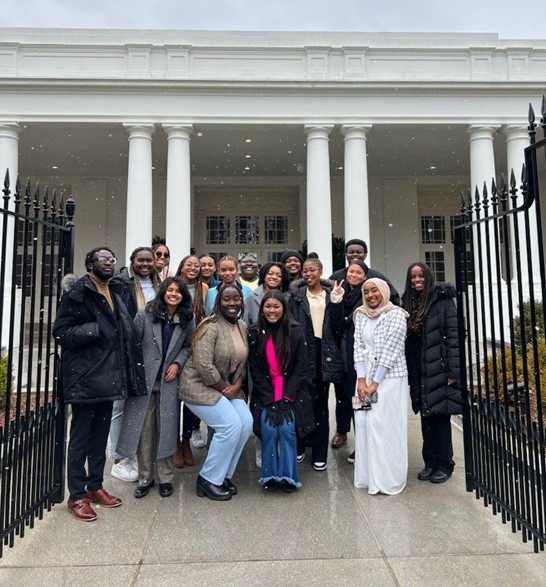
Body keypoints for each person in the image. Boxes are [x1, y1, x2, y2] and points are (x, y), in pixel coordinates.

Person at [53, 247, 146, 522]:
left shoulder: (115, 293)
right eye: (102, 259)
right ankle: (77, 495)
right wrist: (94, 329)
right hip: (85, 378)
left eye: (111, 259)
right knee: (80, 439)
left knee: (99, 437)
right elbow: (61, 332)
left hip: (109, 378)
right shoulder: (77, 294)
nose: (108, 263)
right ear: (89, 263)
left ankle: (95, 486)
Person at [116, 277, 194, 498]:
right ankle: (145, 477)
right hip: (146, 381)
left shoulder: (187, 318)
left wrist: (178, 363)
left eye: (178, 292)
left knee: (167, 430)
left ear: (183, 296)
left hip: (169, 382)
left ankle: (165, 478)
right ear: (163, 292)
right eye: (169, 290)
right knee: (144, 430)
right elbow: (133, 343)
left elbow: (188, 346)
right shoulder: (145, 314)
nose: (173, 294)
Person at [179, 283, 253, 501]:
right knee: (229, 426)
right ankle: (208, 480)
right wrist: (225, 389)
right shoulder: (209, 327)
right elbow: (203, 366)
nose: (232, 303)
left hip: (227, 386)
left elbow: (243, 362)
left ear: (242, 301)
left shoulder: (241, 326)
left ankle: (223, 476)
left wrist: (237, 384)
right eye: (226, 299)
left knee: (245, 423)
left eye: (236, 299)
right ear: (218, 302)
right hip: (198, 386)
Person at [248, 291, 314, 492]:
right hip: (265, 393)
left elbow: (301, 368)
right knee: (268, 429)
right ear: (262, 309)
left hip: (290, 392)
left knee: (286, 429)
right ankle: (269, 475)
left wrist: (285, 398)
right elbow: (255, 370)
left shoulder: (295, 331)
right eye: (267, 307)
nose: (272, 311)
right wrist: (271, 400)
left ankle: (288, 476)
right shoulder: (254, 332)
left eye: (276, 306)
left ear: (284, 308)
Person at [402, 262, 461, 484]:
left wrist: (454, 370)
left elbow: (454, 336)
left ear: (428, 277)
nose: (417, 280)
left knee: (440, 417)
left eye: (421, 277)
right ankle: (430, 462)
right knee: (426, 416)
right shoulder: (408, 301)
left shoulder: (442, 301)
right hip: (418, 365)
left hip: (438, 366)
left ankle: (445, 463)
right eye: (413, 277)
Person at [108, 246, 160, 482]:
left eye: (149, 260)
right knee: (120, 407)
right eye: (141, 260)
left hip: (149, 352)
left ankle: (133, 452)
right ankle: (119, 458)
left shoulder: (159, 284)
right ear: (132, 261)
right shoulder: (121, 284)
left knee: (138, 406)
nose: (146, 264)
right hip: (126, 350)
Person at [353, 278, 409, 495]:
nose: (370, 296)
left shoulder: (396, 314)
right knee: (365, 424)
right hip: (364, 378)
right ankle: (369, 478)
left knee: (385, 427)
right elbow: (357, 346)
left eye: (374, 291)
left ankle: (387, 479)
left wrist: (375, 383)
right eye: (366, 292)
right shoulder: (360, 314)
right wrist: (361, 379)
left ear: (384, 291)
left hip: (389, 379)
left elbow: (390, 351)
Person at [288, 257, 343, 471]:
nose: (308, 274)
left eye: (312, 270)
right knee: (302, 403)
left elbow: (338, 327)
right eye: (305, 270)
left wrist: (337, 304)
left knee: (321, 406)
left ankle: (319, 453)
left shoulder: (332, 295)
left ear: (320, 271)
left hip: (324, 353)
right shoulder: (296, 297)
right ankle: (300, 446)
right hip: (302, 353)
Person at [328, 259, 368, 454]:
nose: (354, 275)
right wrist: (336, 301)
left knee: (359, 400)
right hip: (342, 351)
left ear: (365, 276)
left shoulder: (368, 293)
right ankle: (342, 431)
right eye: (351, 272)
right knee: (342, 397)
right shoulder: (342, 292)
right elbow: (336, 324)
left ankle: (362, 441)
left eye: (358, 272)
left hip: (361, 355)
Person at [174, 255, 210, 463]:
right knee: (172, 400)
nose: (194, 268)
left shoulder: (203, 288)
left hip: (194, 346)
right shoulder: (173, 286)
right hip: (175, 344)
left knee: (189, 398)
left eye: (197, 266)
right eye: (189, 264)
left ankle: (186, 440)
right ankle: (174, 444)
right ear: (182, 266)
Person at [329, 239, 400, 305]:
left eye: (359, 252)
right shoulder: (336, 276)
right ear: (346, 255)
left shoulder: (377, 277)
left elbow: (393, 298)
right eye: (351, 252)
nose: (355, 254)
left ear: (365, 255)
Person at [244, 261, 290, 327]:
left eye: (279, 275)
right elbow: (246, 323)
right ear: (264, 276)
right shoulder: (251, 297)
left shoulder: (288, 297)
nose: (274, 277)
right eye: (270, 274)